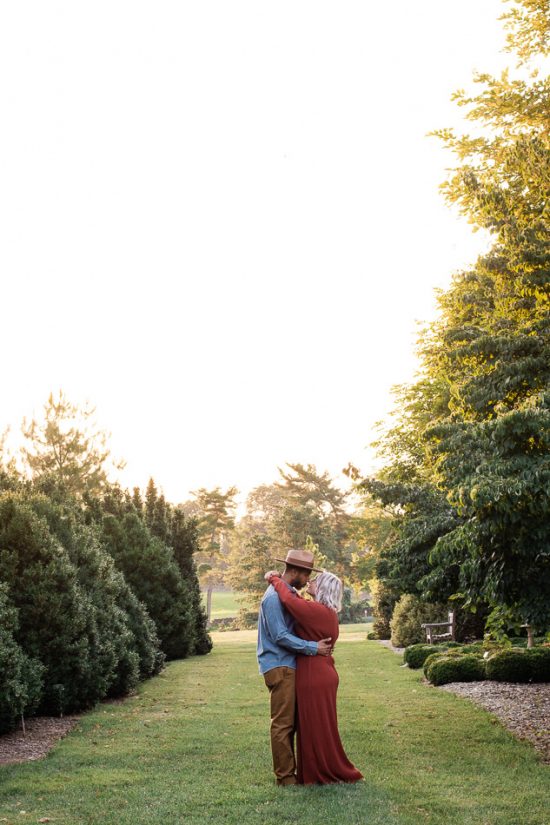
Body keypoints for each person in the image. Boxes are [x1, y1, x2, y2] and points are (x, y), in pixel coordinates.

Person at [265, 568, 363, 785]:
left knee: (315, 726)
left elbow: (290, 601)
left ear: (324, 589)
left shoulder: (318, 611)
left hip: (314, 675)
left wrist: (273, 578)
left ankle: (322, 772)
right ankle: (316, 769)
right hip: (320, 671)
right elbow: (295, 600)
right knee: (317, 726)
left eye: (316, 581)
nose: (310, 581)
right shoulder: (323, 611)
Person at [257, 549, 333, 786]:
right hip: (280, 665)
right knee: (283, 724)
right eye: (307, 574)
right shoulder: (273, 598)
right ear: (296, 571)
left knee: (292, 722)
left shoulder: (286, 593)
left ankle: (297, 772)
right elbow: (280, 635)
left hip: (287, 665)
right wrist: (313, 647)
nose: (308, 579)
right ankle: (285, 777)